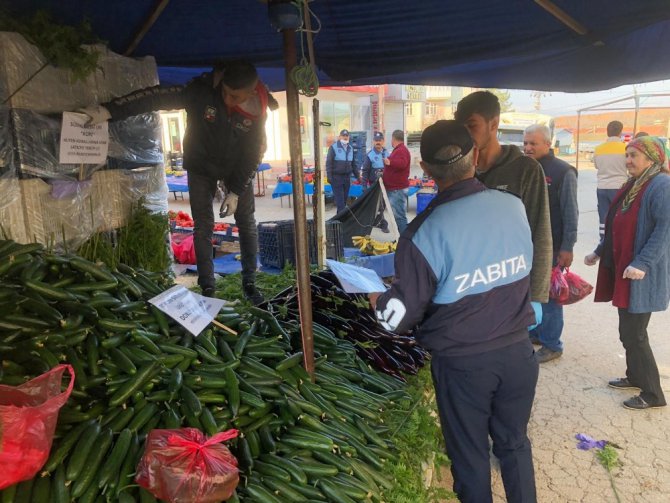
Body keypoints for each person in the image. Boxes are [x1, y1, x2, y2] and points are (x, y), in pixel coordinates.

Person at [370, 120, 538, 503]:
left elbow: (396, 320)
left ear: (425, 169)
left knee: (471, 458)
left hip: (464, 366)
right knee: (514, 445)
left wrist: (377, 301)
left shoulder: (424, 233)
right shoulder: (513, 206)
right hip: (518, 354)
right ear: (475, 156)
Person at [79, 60, 277, 304]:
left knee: (246, 222)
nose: (227, 100)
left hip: (236, 167)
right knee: (203, 226)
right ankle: (208, 289)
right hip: (200, 165)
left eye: (235, 97)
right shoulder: (201, 90)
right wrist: (108, 111)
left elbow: (254, 152)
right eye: (225, 92)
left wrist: (235, 191)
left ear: (251, 90)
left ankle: (250, 283)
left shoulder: (258, 108)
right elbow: (156, 97)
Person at [584, 136, 670, 410]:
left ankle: (653, 394)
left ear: (652, 159)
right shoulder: (635, 183)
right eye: (628, 155)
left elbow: (664, 230)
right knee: (628, 330)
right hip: (626, 269)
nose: (628, 160)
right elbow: (615, 224)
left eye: (634, 155)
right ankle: (635, 376)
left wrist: (643, 263)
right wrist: (599, 251)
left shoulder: (661, 185)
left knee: (635, 333)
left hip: (640, 274)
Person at [455, 91, 552, 307]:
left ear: (493, 124)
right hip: (467, 285)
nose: (466, 134)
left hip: (511, 285)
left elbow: (540, 232)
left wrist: (536, 296)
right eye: (462, 128)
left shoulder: (525, 169)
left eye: (472, 125)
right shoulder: (460, 170)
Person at [523, 125, 579, 363]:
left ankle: (552, 344)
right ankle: (536, 332)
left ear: (548, 144)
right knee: (533, 290)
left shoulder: (563, 172)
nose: (527, 148)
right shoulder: (525, 168)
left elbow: (570, 212)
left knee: (551, 296)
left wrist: (568, 246)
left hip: (553, 244)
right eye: (525, 143)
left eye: (533, 143)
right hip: (527, 242)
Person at [594, 120, 627, 241]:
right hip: (619, 187)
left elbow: (597, 165)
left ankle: (603, 240)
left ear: (607, 132)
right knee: (619, 214)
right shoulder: (625, 148)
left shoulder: (598, 149)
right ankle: (618, 238)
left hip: (602, 186)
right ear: (620, 132)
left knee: (604, 215)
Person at [360, 131, 389, 232]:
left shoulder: (387, 153)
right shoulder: (370, 155)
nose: (378, 142)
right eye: (376, 140)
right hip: (374, 185)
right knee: (378, 204)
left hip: (386, 184)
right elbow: (365, 171)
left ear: (383, 141)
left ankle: (378, 221)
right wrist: (364, 186)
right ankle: (382, 223)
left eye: (380, 140)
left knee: (383, 204)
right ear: (373, 142)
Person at [382, 129, 411, 233]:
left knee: (399, 216)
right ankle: (400, 239)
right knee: (397, 216)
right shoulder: (398, 150)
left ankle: (404, 241)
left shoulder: (401, 150)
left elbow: (402, 163)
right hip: (394, 188)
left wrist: (390, 162)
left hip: (397, 190)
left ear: (393, 138)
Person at [326, 129, 358, 214]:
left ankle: (338, 222)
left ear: (348, 137)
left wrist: (358, 177)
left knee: (343, 201)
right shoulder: (333, 147)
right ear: (339, 137)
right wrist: (329, 176)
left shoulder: (350, 148)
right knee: (341, 203)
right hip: (337, 178)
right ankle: (342, 224)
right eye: (343, 135)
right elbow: (329, 163)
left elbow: (354, 164)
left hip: (347, 178)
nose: (345, 137)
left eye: (346, 136)